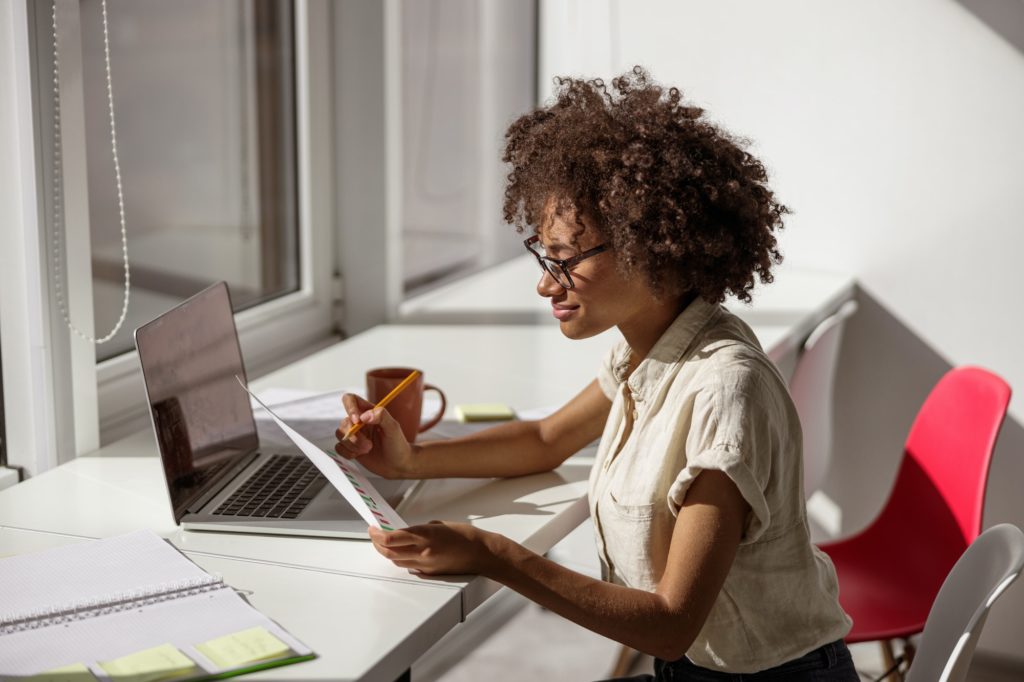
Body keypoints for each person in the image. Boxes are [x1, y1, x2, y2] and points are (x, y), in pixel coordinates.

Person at [334, 67, 857, 680]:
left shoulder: (725, 388)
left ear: (653, 248)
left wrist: (494, 555)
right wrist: (408, 461)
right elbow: (547, 439)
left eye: (565, 260)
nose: (543, 282)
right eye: (544, 255)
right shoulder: (647, 346)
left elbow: (669, 623)